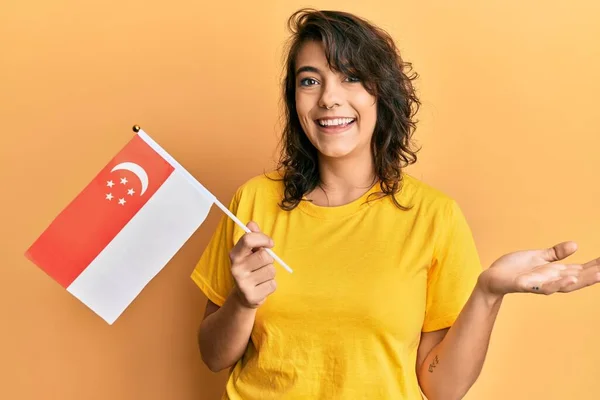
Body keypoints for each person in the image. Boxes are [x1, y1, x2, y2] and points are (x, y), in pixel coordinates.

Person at [190, 8, 600, 400]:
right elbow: (213, 356)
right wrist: (242, 302)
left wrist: (488, 293)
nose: (329, 99)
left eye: (351, 77)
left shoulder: (433, 216)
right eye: (310, 81)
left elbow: (442, 389)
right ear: (294, 98)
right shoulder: (254, 201)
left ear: (381, 93)